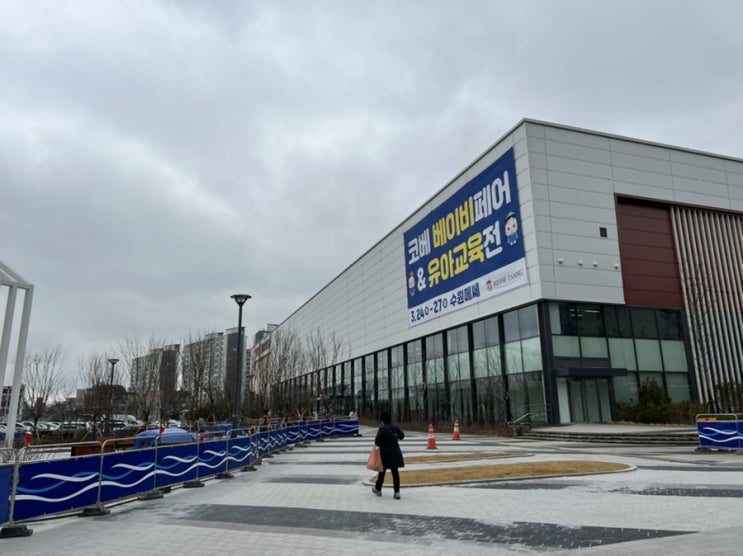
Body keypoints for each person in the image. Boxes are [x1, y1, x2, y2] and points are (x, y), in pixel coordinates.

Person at [371, 411, 405, 499]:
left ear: (382, 420)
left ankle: (378, 489)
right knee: (395, 473)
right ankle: (397, 492)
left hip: (385, 454)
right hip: (395, 453)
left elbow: (377, 442)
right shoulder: (395, 427)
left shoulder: (382, 429)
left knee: (382, 471)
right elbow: (402, 436)